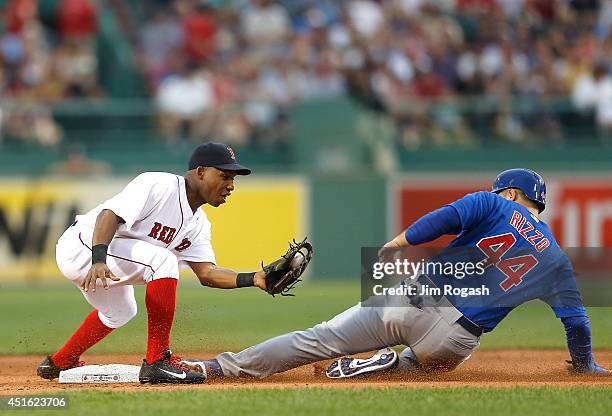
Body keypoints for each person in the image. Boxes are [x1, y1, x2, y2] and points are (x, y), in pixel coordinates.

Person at [182, 168, 610, 380]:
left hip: (413, 299)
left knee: (316, 340)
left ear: (512, 194)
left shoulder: (495, 203)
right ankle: (388, 363)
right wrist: (584, 364)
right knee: (427, 367)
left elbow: (445, 217)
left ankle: (222, 369)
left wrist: (400, 242)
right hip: (456, 338)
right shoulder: (556, 259)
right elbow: (576, 321)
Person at [37, 142, 271, 384]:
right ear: (201, 172)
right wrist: (98, 259)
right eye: (224, 176)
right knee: (163, 261)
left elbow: (208, 273)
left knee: (121, 312)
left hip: (109, 259)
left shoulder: (199, 224)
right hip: (82, 248)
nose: (230, 185)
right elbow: (109, 215)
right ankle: (158, 360)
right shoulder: (160, 185)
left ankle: (59, 362)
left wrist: (253, 278)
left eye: (233, 179)